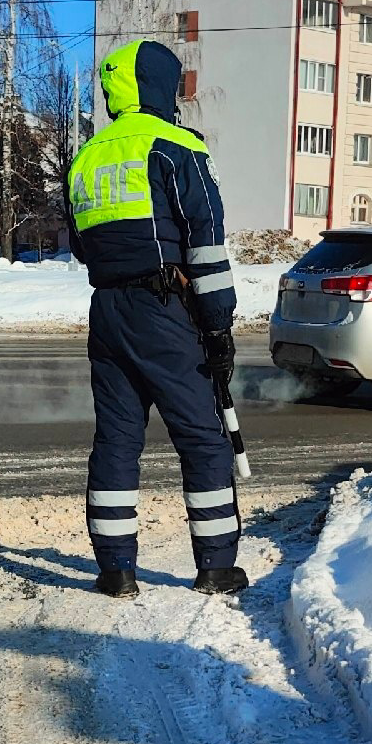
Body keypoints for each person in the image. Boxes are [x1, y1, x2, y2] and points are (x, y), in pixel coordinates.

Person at [66, 39, 244, 599]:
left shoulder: (88, 155)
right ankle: (216, 566)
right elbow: (206, 243)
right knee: (202, 436)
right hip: (167, 308)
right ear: (160, 86)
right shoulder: (175, 147)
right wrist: (217, 326)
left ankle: (115, 570)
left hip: (107, 310)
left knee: (117, 441)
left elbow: (79, 244)